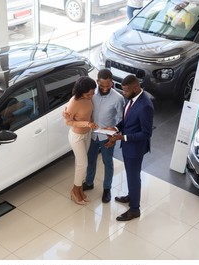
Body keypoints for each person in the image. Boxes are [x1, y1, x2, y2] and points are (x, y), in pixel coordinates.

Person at [105, 74, 154, 221]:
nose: (123, 93)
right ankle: (131, 196)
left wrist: (123, 137)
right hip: (127, 145)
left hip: (135, 149)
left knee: (133, 177)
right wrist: (115, 128)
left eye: (126, 91)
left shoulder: (145, 106)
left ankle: (134, 209)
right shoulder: (132, 99)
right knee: (130, 175)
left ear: (136, 87)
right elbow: (127, 120)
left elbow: (146, 133)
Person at [82, 69, 125, 203]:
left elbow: (122, 119)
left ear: (112, 83)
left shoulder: (118, 98)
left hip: (107, 137)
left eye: (108, 85)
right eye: (102, 86)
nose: (105, 88)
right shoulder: (91, 94)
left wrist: (115, 136)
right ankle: (89, 183)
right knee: (90, 160)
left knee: (108, 163)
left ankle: (107, 189)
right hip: (92, 135)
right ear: (97, 82)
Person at [64, 76, 98, 205]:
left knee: (81, 164)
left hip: (87, 134)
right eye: (88, 94)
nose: (91, 95)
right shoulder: (74, 102)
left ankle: (78, 190)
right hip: (77, 137)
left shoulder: (88, 98)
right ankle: (75, 190)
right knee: (83, 164)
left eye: (93, 93)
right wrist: (87, 124)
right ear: (81, 91)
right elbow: (68, 121)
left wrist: (90, 125)